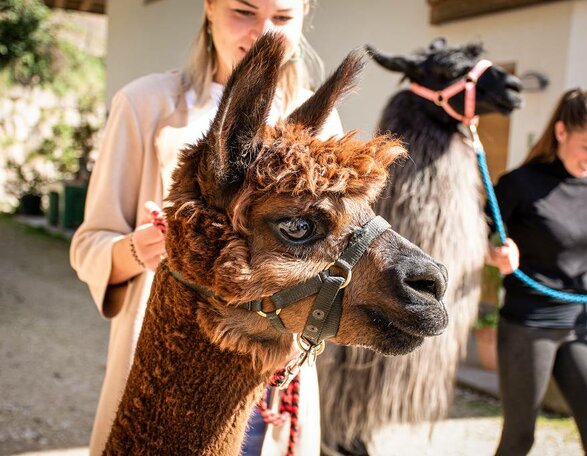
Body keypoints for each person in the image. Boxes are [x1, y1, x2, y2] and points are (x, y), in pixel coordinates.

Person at [70, 1, 343, 455]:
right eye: (243, 11)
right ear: (210, 7)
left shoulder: (319, 122)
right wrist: (145, 247)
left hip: (270, 361)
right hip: (171, 354)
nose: (263, 34)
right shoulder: (146, 104)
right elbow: (89, 244)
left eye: (281, 19)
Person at [486, 88, 587, 455]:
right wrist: (495, 253)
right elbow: (471, 234)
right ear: (561, 132)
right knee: (520, 437)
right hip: (529, 325)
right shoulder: (521, 184)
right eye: (586, 147)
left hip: (580, 323)